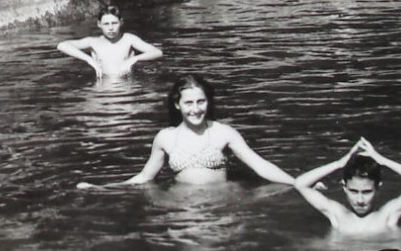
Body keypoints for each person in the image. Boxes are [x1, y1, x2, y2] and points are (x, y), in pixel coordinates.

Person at [77, 75, 295, 189]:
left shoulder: (224, 133)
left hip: (224, 204)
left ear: (208, 102)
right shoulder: (165, 137)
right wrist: (101, 188)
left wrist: (296, 182)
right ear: (177, 105)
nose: (196, 108)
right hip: (181, 207)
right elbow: (145, 177)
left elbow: (260, 166)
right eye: (189, 102)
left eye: (201, 101)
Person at [292, 137, 401, 238]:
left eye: (367, 192)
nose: (360, 200)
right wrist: (339, 163)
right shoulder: (337, 215)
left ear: (378, 188)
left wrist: (383, 161)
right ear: (344, 187)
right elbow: (300, 184)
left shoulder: (387, 215)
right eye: (353, 191)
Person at [56, 5, 163, 78]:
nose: (111, 28)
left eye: (114, 23)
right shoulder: (93, 42)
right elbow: (62, 45)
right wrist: (89, 60)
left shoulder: (129, 39)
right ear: (99, 24)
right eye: (106, 24)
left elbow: (157, 52)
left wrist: (134, 59)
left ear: (121, 23)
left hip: (127, 85)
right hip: (102, 86)